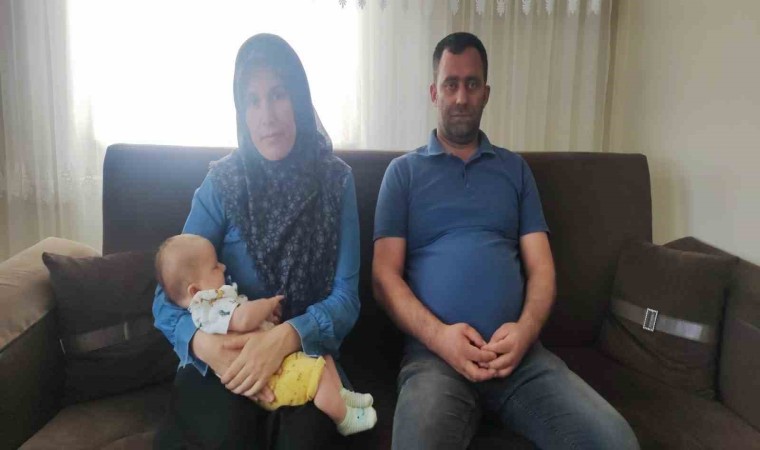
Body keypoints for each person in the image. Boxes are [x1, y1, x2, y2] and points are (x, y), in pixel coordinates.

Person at [372, 32, 640, 450]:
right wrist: (441, 338)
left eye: (472, 84)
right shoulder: (403, 174)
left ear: (486, 93)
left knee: (616, 441)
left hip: (520, 359)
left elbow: (542, 269)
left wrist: (525, 331)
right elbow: (383, 277)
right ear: (434, 93)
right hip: (435, 360)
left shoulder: (514, 171)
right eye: (450, 84)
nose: (461, 97)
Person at [153, 33, 363, 449]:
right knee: (225, 434)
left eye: (278, 95)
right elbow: (169, 294)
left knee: (308, 440)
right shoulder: (223, 183)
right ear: (242, 113)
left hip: (304, 357)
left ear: (299, 99)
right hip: (226, 357)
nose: (267, 116)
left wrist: (285, 337)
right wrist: (205, 345)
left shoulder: (336, 181)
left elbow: (346, 298)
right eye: (253, 101)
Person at [154, 234, 376, 436]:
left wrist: (283, 329)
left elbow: (345, 298)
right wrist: (267, 304)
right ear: (195, 291)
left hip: (284, 352)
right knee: (317, 376)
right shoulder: (210, 306)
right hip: (263, 376)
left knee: (323, 357)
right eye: (215, 267)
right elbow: (243, 318)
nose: (223, 266)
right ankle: (345, 419)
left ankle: (342, 396)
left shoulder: (216, 300)